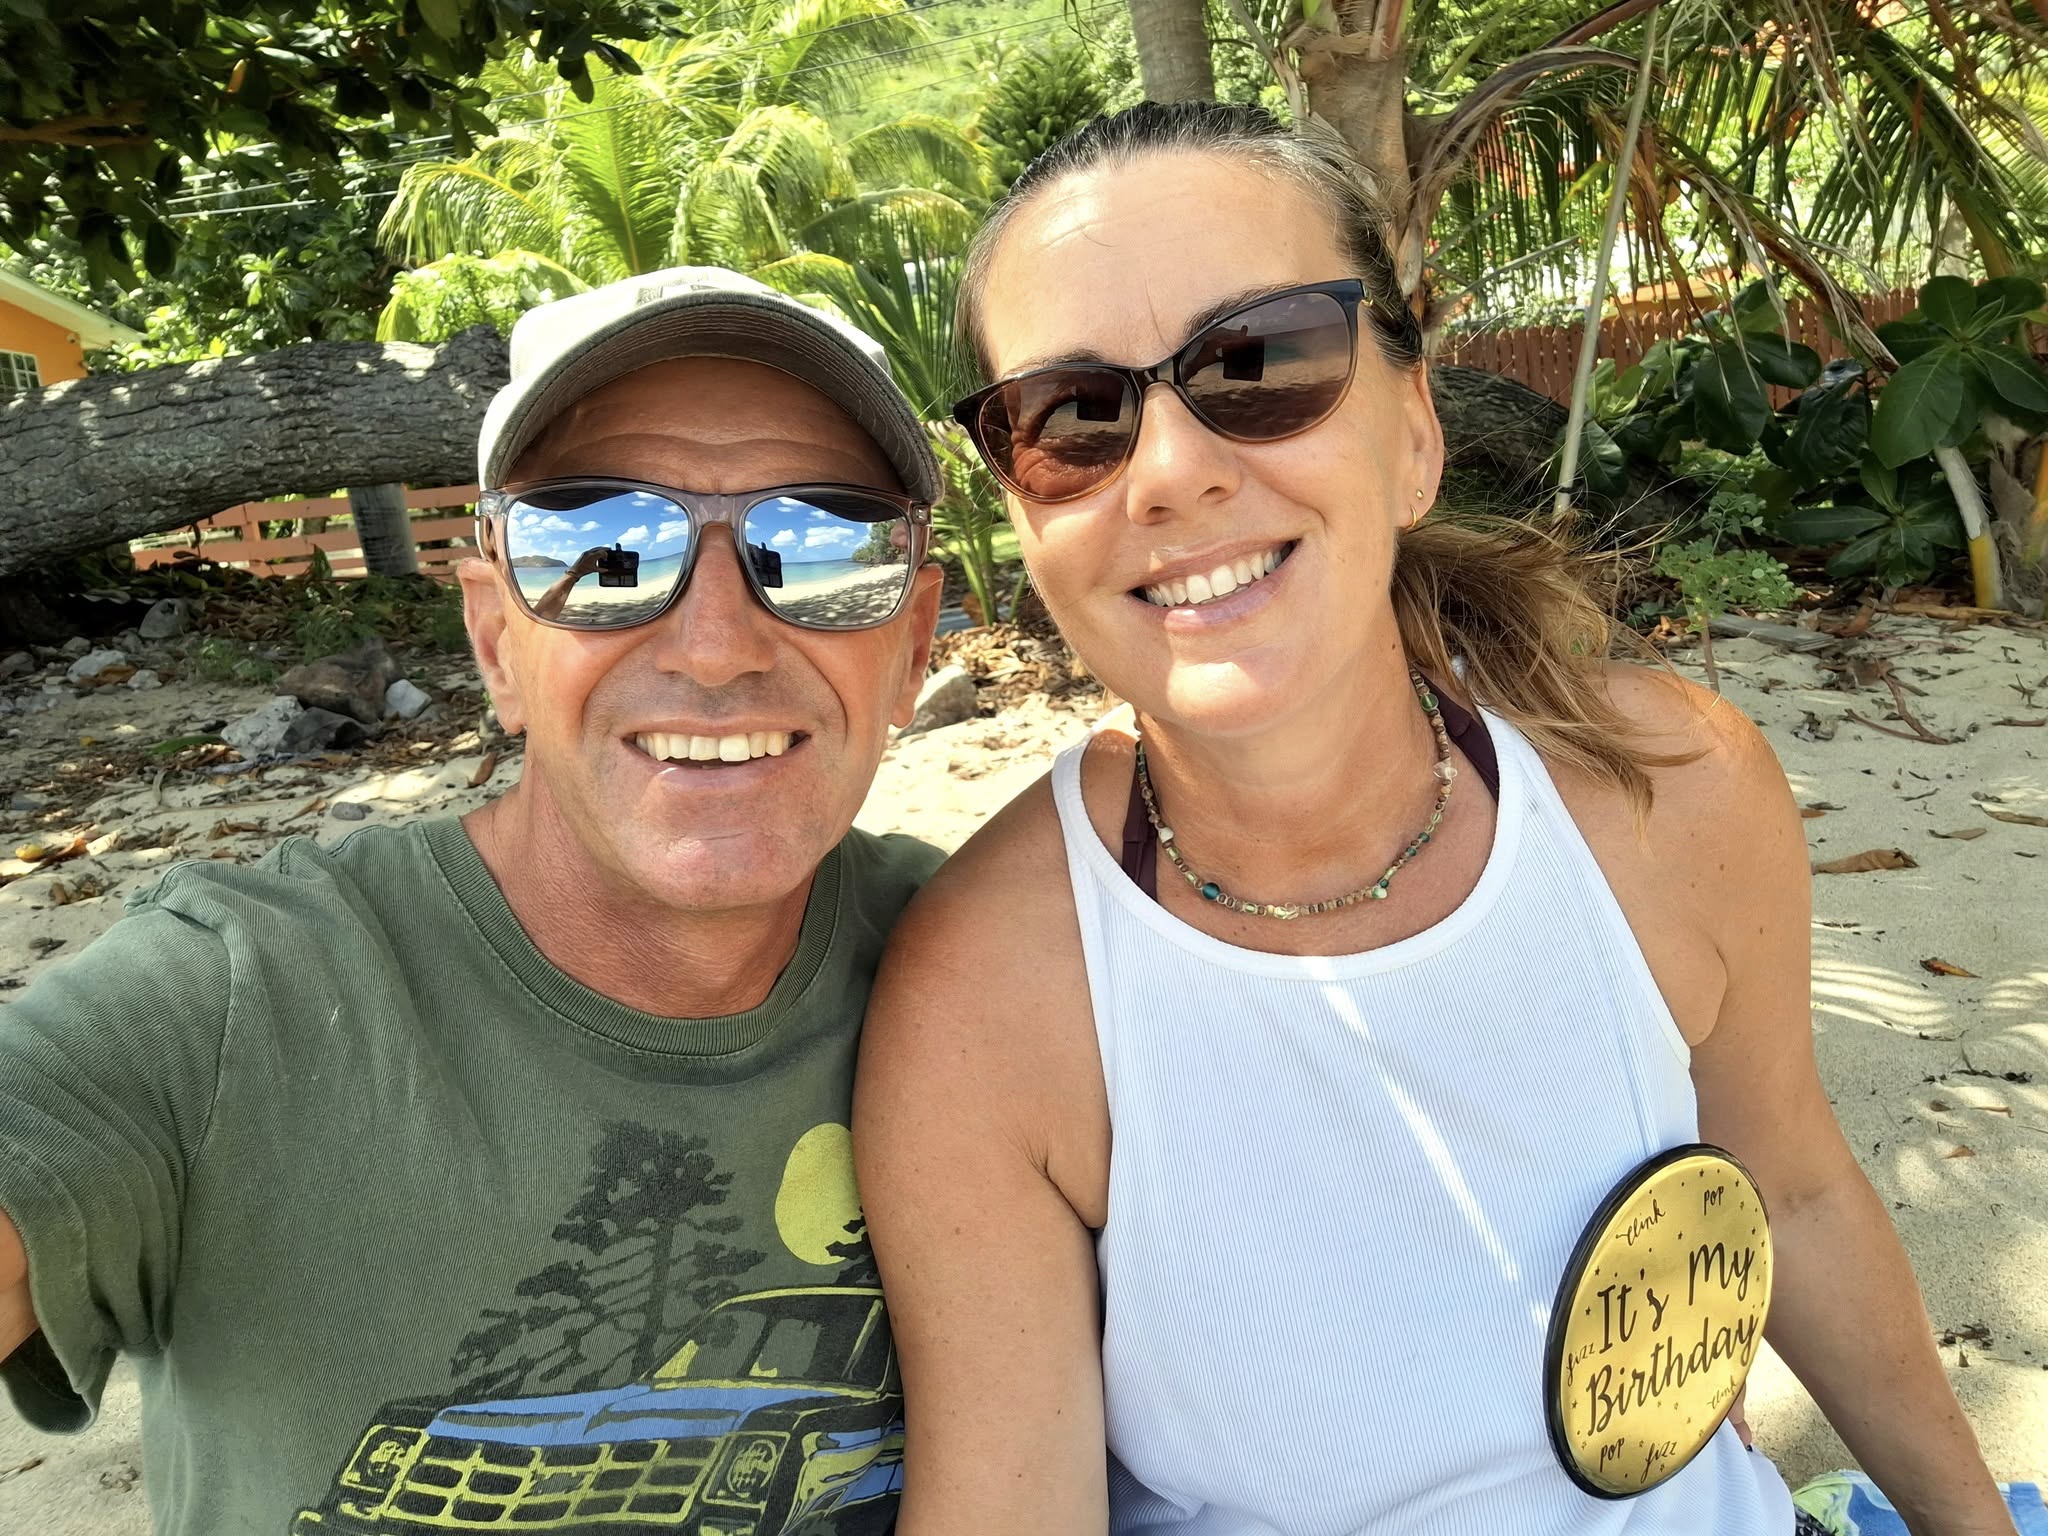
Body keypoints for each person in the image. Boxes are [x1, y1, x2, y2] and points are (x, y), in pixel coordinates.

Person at [855, 103, 2014, 1536]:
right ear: (1024, 515)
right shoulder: (988, 998)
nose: (1167, 470)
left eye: (1259, 363)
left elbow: (1793, 1192)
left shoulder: (1669, 792)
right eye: (1074, 419)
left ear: (1413, 432)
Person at [0, 267, 944, 1536]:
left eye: (824, 546)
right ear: (497, 642)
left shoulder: (997, 968)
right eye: (600, 546)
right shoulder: (230, 1003)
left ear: (912, 646)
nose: (718, 644)